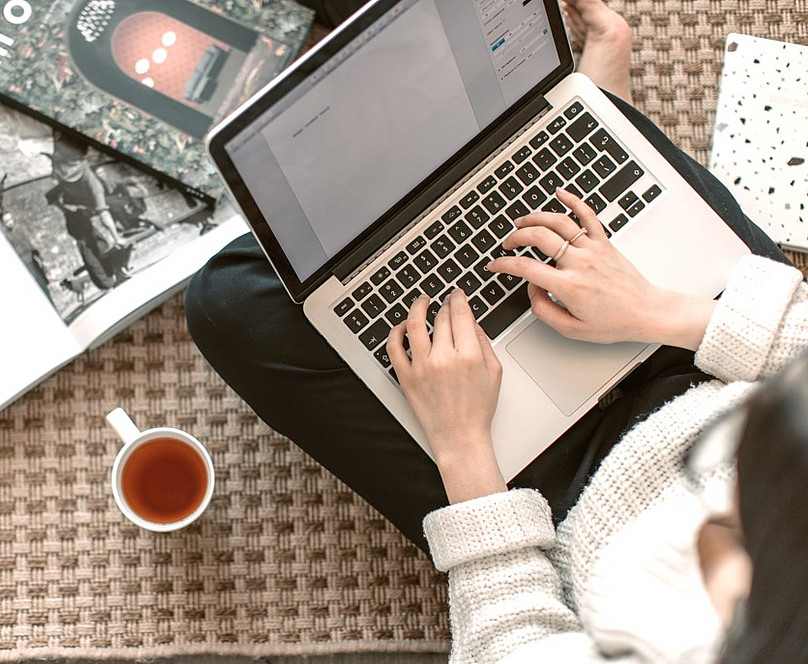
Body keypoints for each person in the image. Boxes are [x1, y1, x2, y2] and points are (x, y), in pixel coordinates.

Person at [183, 0, 808, 660]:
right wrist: (653, 307)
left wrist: (462, 450)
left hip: (549, 499)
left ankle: (583, 117)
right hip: (714, 354)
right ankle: (582, 118)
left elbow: (509, 645)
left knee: (233, 300)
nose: (709, 505)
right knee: (580, 134)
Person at [46, 134, 133, 290]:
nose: (66, 172)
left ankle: (115, 273)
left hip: (84, 212)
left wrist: (115, 237)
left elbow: (103, 213)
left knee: (98, 245)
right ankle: (110, 277)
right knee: (90, 247)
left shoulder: (92, 185)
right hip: (76, 214)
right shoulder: (63, 159)